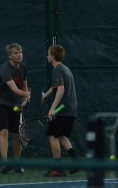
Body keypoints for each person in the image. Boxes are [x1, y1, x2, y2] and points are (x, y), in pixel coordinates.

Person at [0, 43, 30, 174]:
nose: (19, 54)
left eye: (20, 52)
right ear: (9, 56)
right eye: (16, 53)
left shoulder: (23, 68)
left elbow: (25, 87)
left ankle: (17, 163)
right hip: (0, 103)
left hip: (15, 104)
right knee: (3, 131)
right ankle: (5, 164)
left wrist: (24, 101)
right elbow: (14, 88)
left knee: (17, 134)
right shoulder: (5, 69)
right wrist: (26, 95)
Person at [41, 45, 78, 177]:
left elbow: (61, 89)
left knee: (52, 136)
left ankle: (58, 169)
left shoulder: (57, 70)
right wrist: (46, 95)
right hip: (71, 109)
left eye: (48, 54)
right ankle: (76, 159)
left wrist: (52, 109)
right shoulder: (65, 69)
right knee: (61, 136)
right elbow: (56, 86)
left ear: (53, 56)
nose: (47, 56)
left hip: (62, 109)